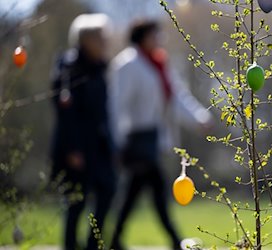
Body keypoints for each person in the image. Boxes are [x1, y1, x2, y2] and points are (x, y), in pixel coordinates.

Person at [108, 20, 212, 250]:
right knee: (157, 189)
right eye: (155, 35)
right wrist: (117, 142)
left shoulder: (159, 63)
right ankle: (175, 241)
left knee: (134, 192)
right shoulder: (127, 64)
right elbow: (117, 106)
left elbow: (176, 97)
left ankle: (114, 239)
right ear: (142, 37)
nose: (159, 39)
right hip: (135, 139)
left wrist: (199, 118)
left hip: (153, 139)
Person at [50, 14, 116, 250]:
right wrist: (73, 148)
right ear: (86, 39)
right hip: (77, 147)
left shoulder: (100, 68)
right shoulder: (68, 68)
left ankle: (92, 245)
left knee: (107, 191)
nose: (105, 41)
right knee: (76, 202)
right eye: (101, 37)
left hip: (99, 145)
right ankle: (70, 246)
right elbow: (65, 112)